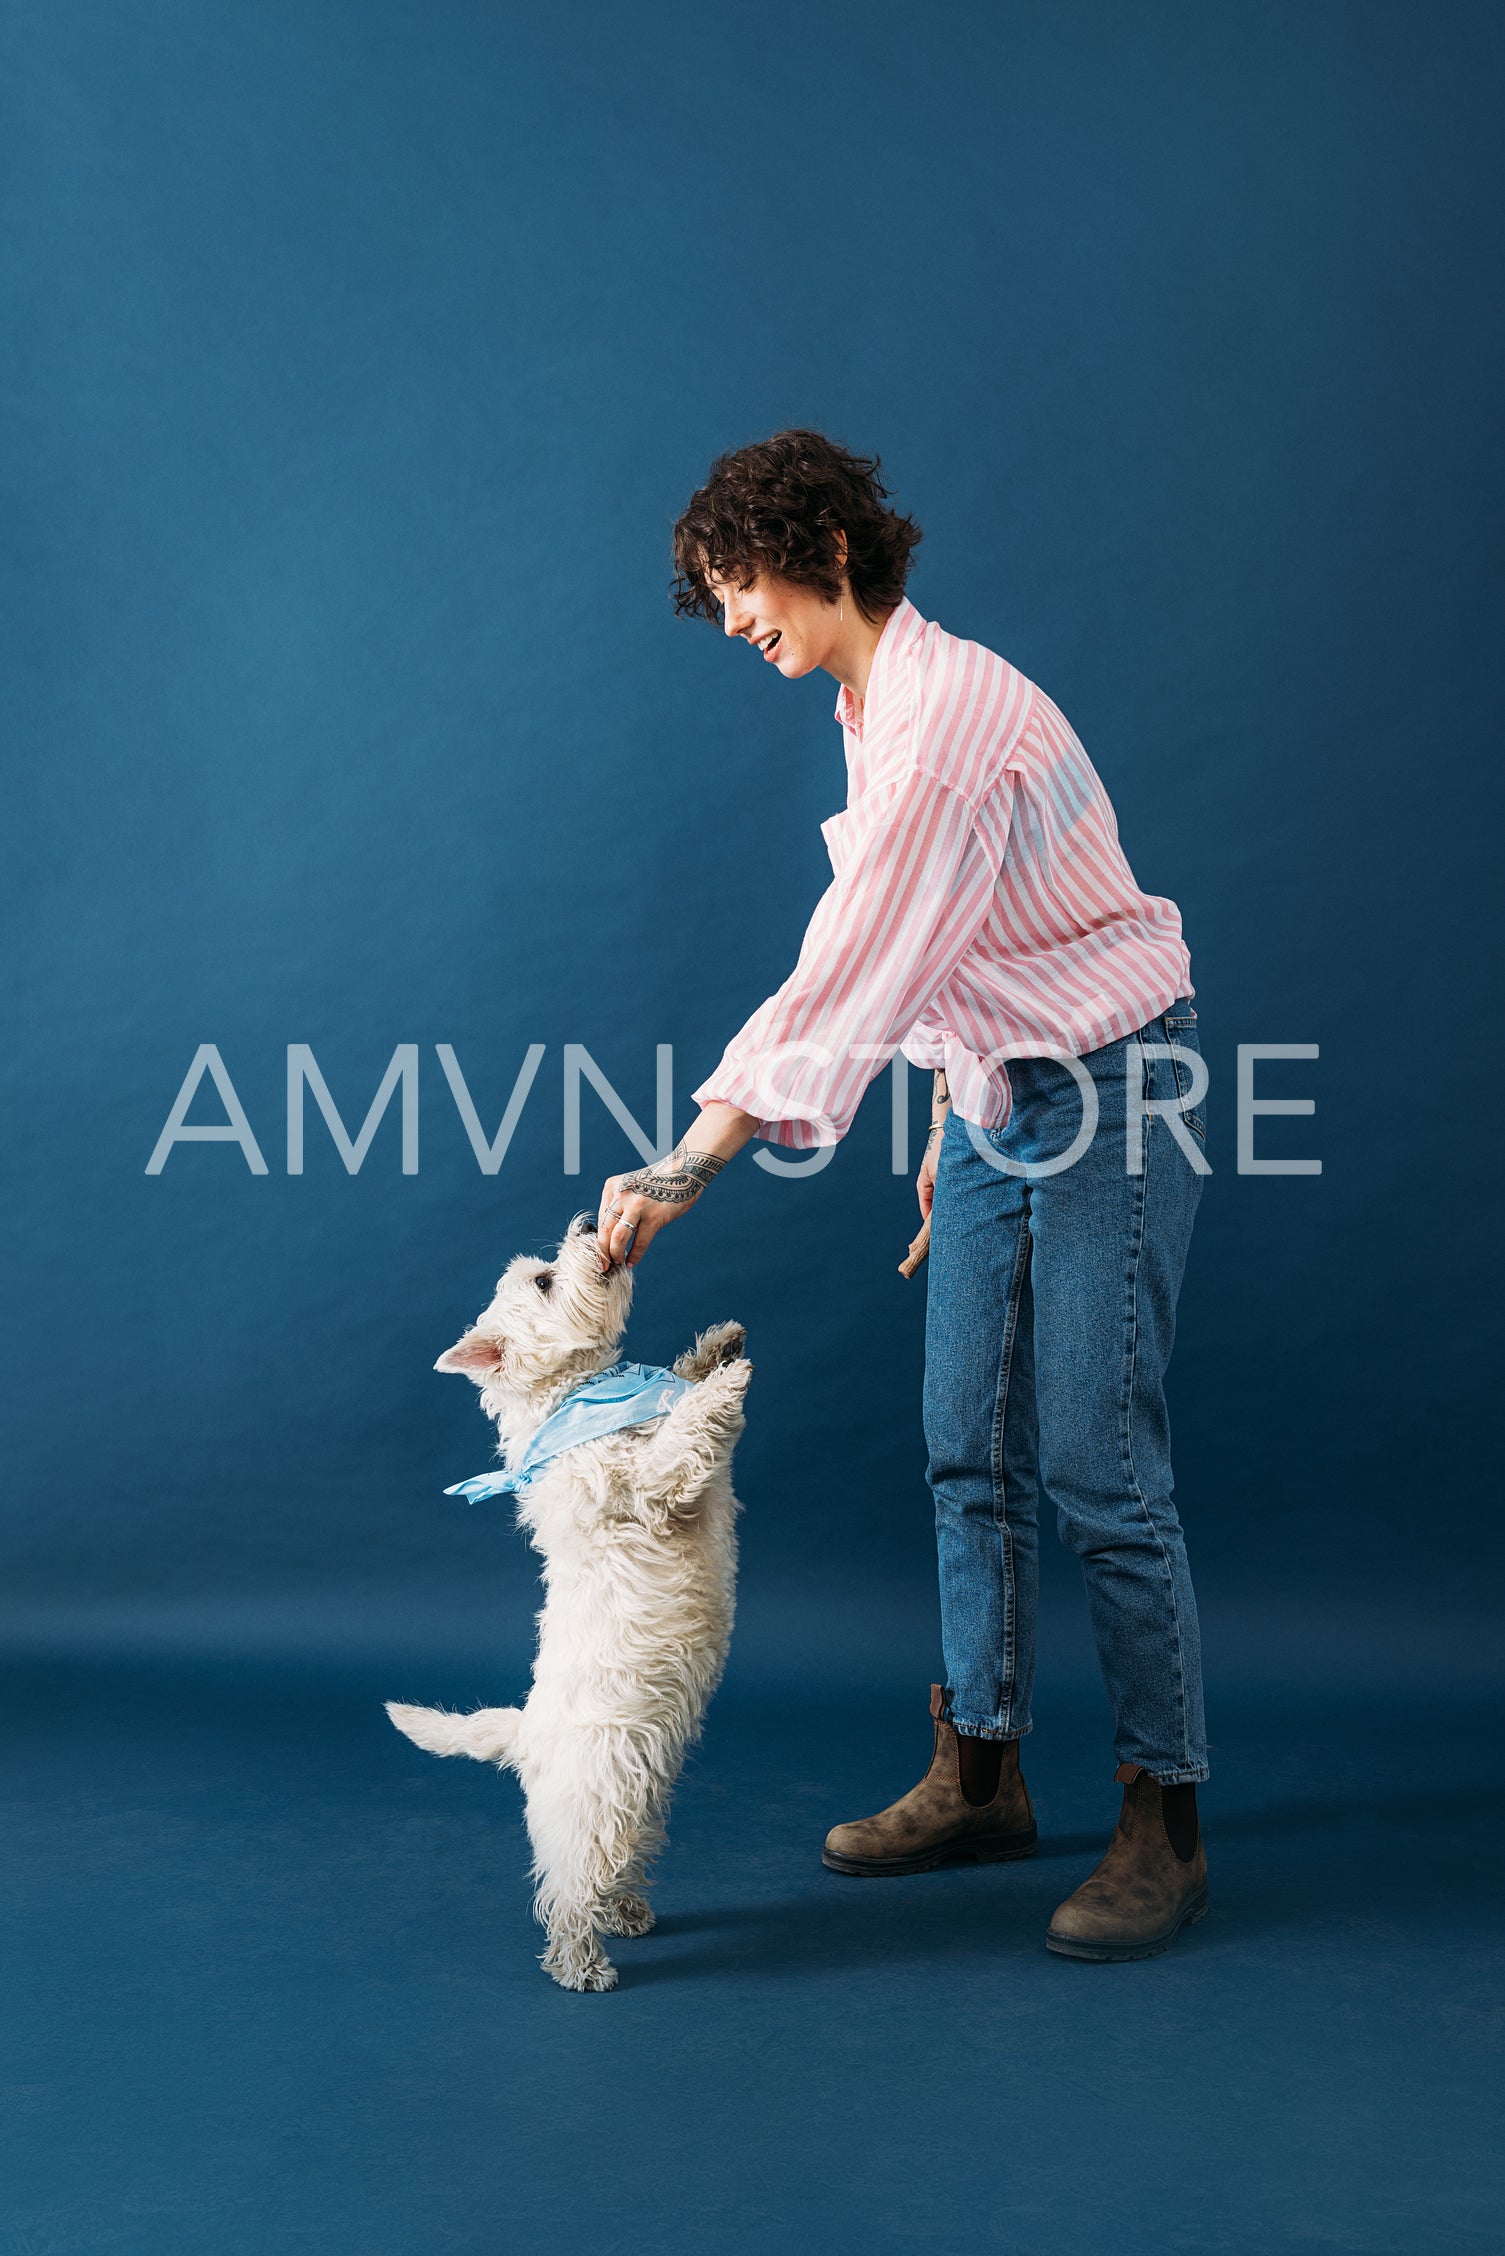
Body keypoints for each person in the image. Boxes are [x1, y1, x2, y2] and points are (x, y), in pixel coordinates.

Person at [594, 429, 1210, 1962]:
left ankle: (1162, 1815)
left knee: (1093, 1461)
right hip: (1003, 1086)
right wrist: (954, 1101)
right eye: (717, 593)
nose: (734, 617)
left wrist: (686, 1162)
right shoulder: (873, 704)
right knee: (961, 1447)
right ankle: (983, 1773)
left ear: (833, 555)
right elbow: (953, 939)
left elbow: (850, 963)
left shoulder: (939, 720)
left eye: (743, 583)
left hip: (1112, 1081)